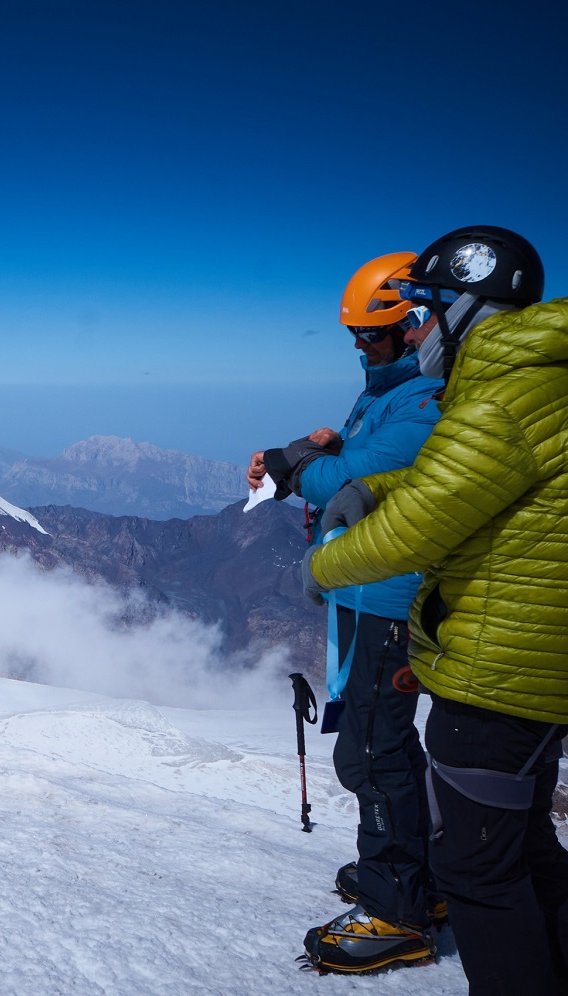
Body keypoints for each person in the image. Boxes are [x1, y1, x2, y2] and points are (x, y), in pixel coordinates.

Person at [305, 225, 568, 993]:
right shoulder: (528, 386)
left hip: (501, 660)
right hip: (532, 649)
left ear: (465, 309)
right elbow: (460, 490)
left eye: (421, 313)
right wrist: (366, 486)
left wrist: (321, 561)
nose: (408, 333)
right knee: (517, 849)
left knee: (475, 865)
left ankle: (407, 913)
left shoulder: (501, 403)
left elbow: (425, 521)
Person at [249, 253, 445, 973]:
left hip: (387, 597)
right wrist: (317, 450)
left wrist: (289, 459)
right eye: (357, 337)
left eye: (374, 335)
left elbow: (354, 478)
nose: (362, 348)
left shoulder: (425, 398)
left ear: (413, 324)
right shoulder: (388, 394)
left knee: (370, 750)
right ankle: (421, 878)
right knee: (382, 742)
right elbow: (347, 464)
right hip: (366, 592)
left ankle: (399, 912)